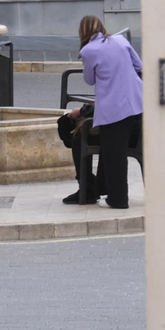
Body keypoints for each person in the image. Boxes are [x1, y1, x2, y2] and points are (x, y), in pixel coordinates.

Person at [62, 15, 143, 208]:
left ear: (83, 32)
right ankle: (102, 190)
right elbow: (139, 66)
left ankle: (118, 199)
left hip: (114, 108)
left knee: (114, 154)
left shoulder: (88, 50)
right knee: (114, 150)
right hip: (137, 103)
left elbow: (89, 80)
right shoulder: (121, 40)